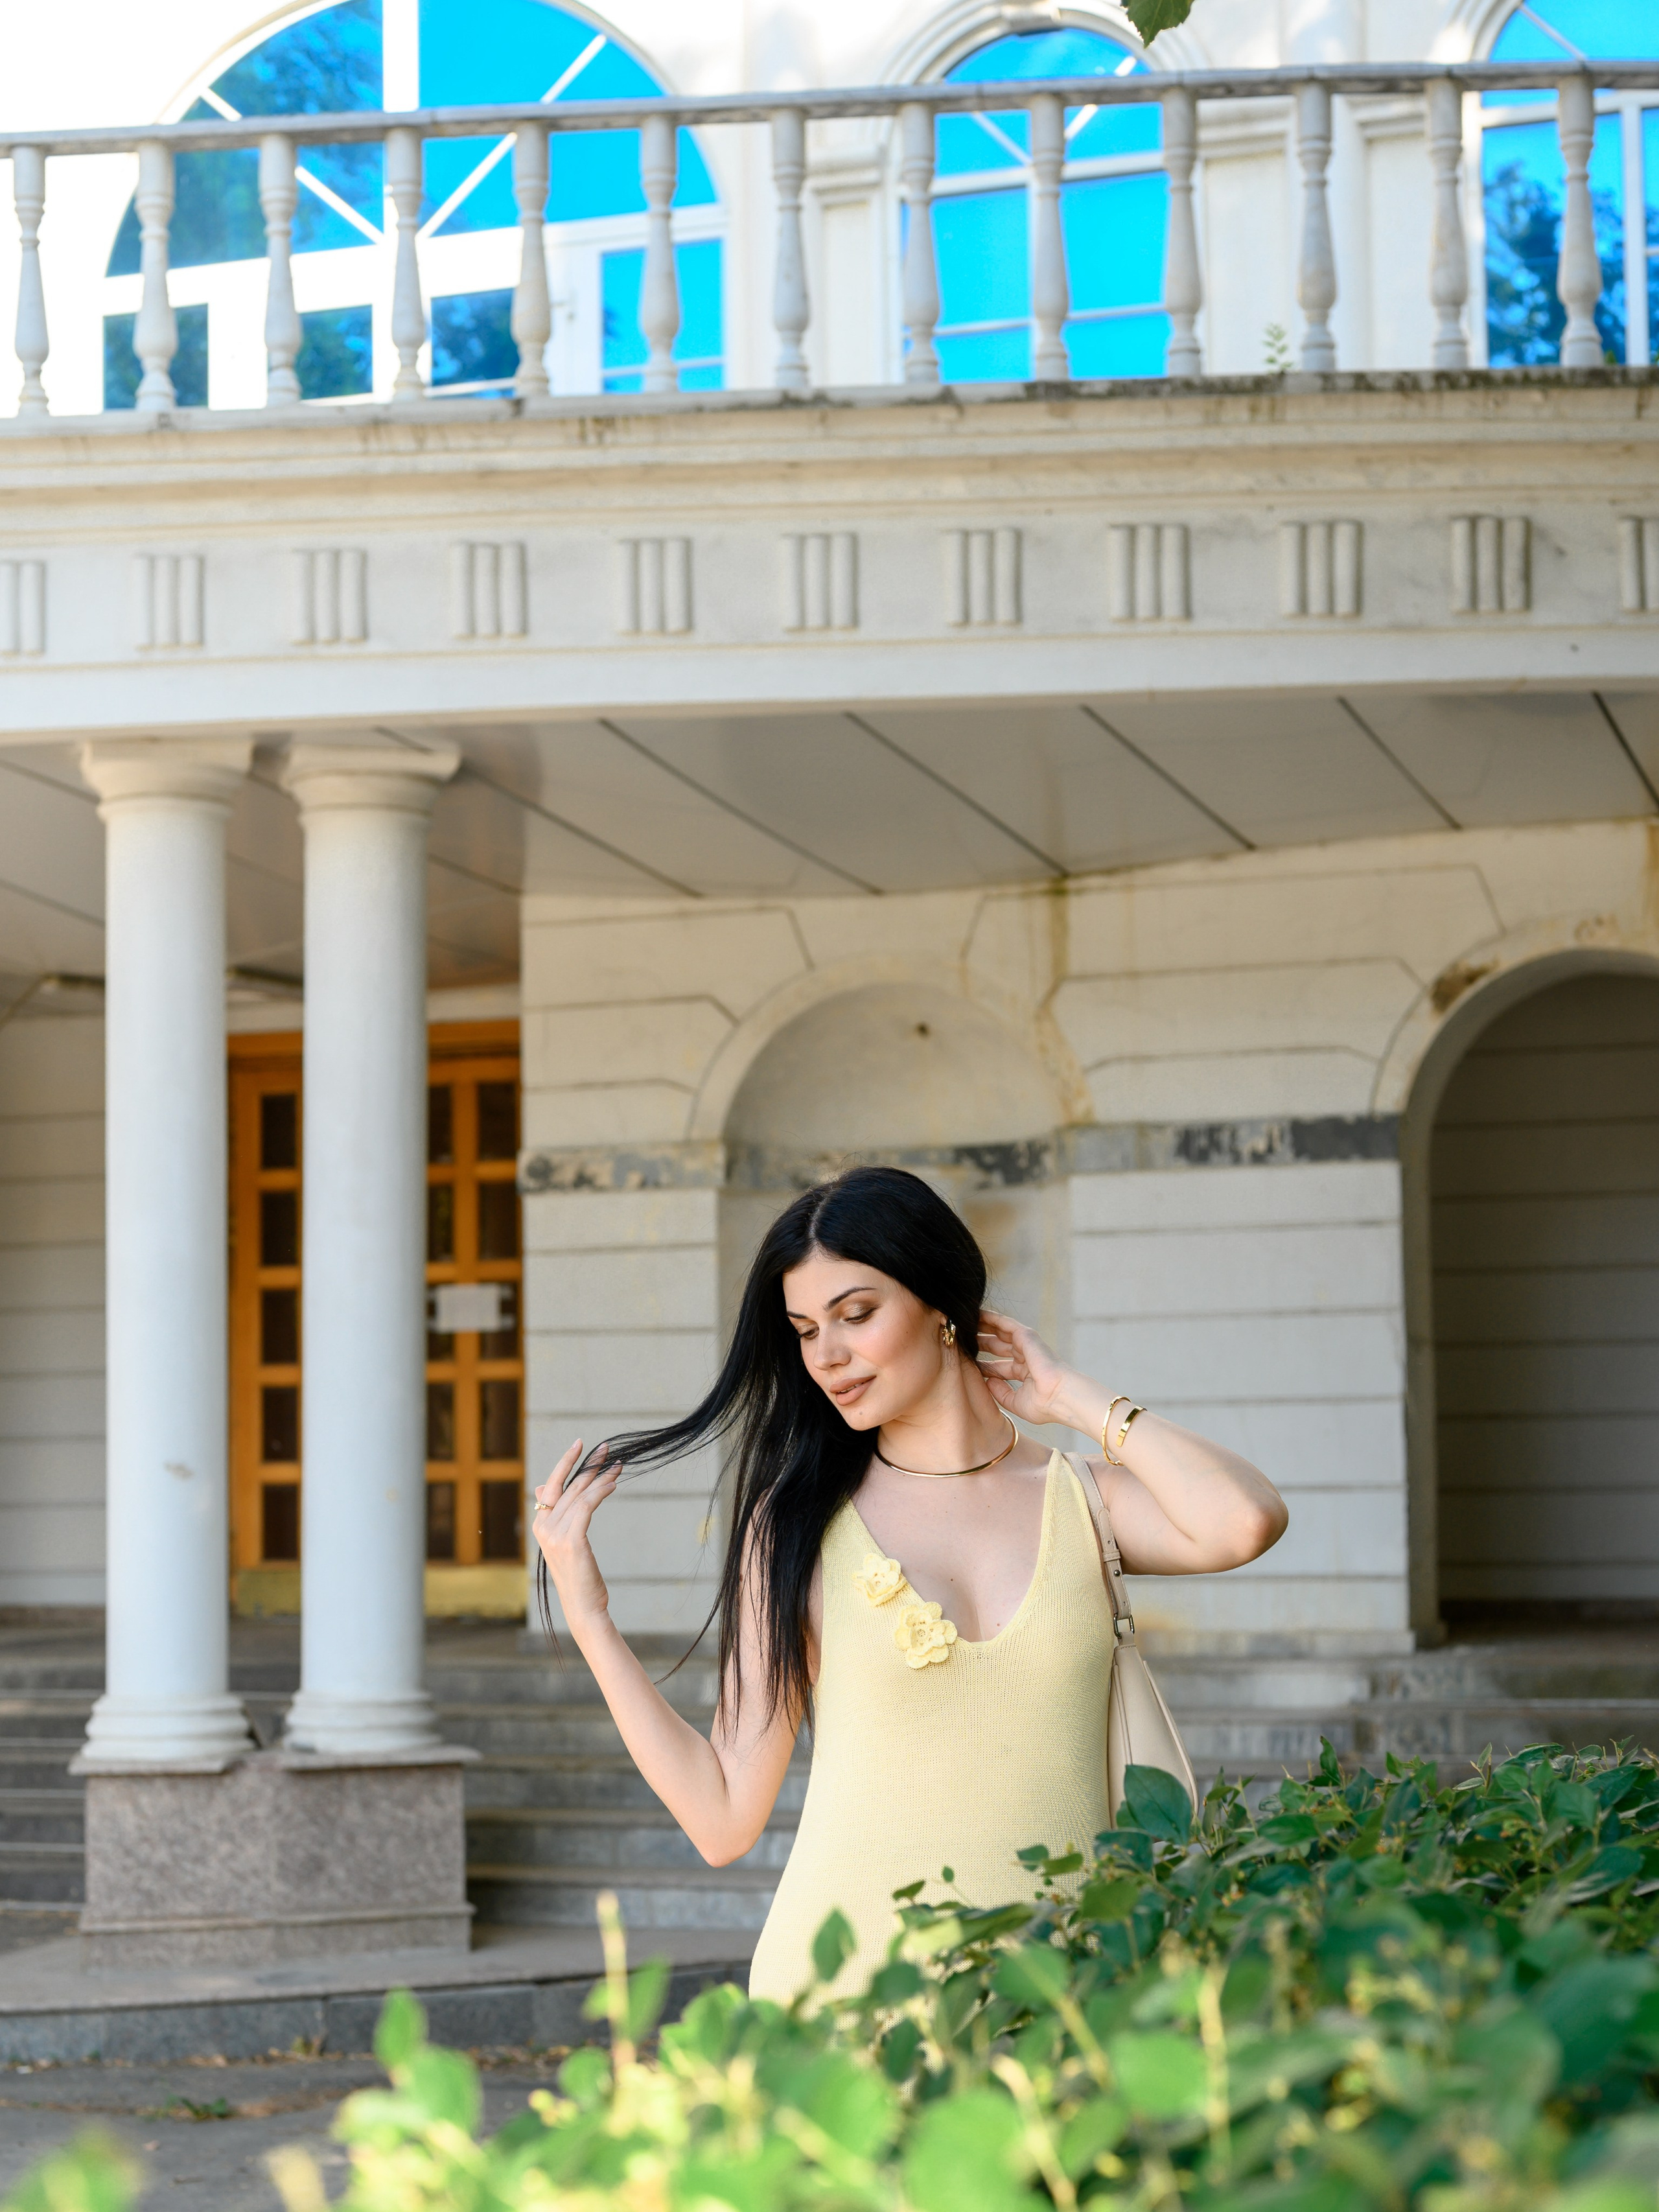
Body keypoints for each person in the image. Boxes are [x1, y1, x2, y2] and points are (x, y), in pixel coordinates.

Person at [532, 1164, 1288, 2003]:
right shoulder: (797, 1526)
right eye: (806, 1327)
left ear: (940, 1307)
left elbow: (1244, 1520)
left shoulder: (1082, 1499)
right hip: (851, 1997)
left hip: (1063, 1998)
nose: (828, 1354)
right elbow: (721, 1817)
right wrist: (591, 1614)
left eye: (857, 1314)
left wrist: (1073, 1397)